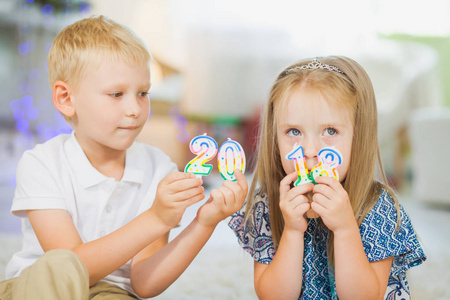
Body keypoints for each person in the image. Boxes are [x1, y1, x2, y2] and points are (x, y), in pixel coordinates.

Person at [0, 16, 248, 300]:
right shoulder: (41, 164)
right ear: (66, 98)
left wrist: (203, 222)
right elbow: (69, 267)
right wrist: (155, 218)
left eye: (143, 93)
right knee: (57, 269)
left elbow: (144, 285)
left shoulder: (159, 171)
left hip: (110, 292)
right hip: (37, 287)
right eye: (116, 94)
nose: (135, 109)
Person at [228, 56, 426, 300]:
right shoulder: (267, 205)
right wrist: (291, 231)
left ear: (358, 136)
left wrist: (345, 228)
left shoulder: (379, 206)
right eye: (293, 131)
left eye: (330, 131)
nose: (310, 149)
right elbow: (273, 296)